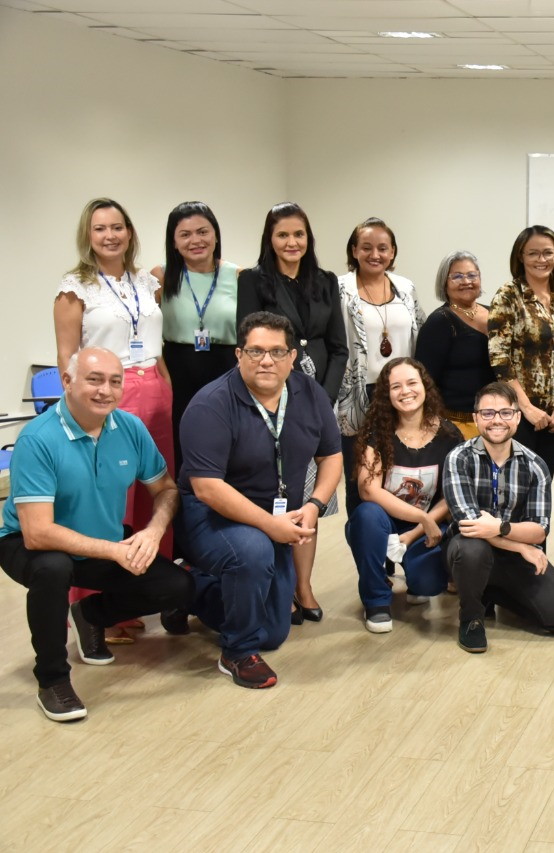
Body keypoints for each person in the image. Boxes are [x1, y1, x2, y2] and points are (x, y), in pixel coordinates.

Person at [0, 348, 193, 722]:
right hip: (26, 544)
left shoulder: (130, 428)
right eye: (94, 379)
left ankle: (91, 614)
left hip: (102, 541)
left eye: (114, 381)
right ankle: (53, 679)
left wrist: (152, 533)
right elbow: (38, 533)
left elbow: (167, 490)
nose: (106, 390)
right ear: (67, 382)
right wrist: (114, 550)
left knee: (178, 586)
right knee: (53, 569)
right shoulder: (38, 439)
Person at [176, 312, 342, 688]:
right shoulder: (211, 404)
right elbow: (207, 487)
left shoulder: (309, 392)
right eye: (255, 351)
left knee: (273, 633)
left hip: (276, 519)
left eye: (276, 351)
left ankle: (191, 590)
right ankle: (236, 652)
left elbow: (331, 455)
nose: (266, 360)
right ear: (238, 355)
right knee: (252, 552)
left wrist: (314, 505)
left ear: (292, 357)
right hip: (214, 518)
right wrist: (272, 527)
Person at [54, 198, 175, 586]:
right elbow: (66, 357)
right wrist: (80, 410)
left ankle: (149, 586)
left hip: (156, 390)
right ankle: (98, 604)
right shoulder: (74, 289)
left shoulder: (147, 282)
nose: (111, 235)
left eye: (117, 227)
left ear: (129, 232)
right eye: (100, 228)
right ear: (87, 236)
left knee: (155, 490)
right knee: (109, 498)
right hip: (107, 393)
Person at [237, 202, 348, 623]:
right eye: (283, 235)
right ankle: (275, 583)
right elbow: (250, 341)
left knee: (308, 497)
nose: (291, 243)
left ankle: (303, 585)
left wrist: (324, 398)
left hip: (317, 400)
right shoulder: (252, 280)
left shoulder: (325, 280)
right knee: (274, 493)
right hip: (270, 397)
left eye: (299, 234)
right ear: (270, 238)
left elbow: (339, 347)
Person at [443, 382, 554, 653]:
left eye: (505, 413)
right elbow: (470, 526)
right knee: (472, 549)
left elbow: (539, 530)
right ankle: (471, 618)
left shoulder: (536, 465)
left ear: (517, 417)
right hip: (469, 549)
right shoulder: (458, 458)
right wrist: (519, 544)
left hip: (512, 558)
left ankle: (491, 592)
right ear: (476, 417)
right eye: (488, 413)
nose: (497, 421)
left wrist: (500, 527)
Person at [346, 358, 462, 633]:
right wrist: (421, 516)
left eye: (412, 383)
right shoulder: (376, 432)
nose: (405, 391)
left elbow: (452, 494)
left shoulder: (449, 434)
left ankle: (414, 574)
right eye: (395, 386)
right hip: (380, 523)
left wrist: (422, 525)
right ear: (386, 394)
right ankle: (376, 600)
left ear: (425, 387)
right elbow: (368, 490)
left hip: (424, 527)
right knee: (367, 515)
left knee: (428, 587)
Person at [336, 217, 427, 515]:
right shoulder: (340, 288)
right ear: (353, 251)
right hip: (358, 395)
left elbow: (420, 332)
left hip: (402, 392)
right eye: (366, 248)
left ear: (393, 252)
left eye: (383, 248)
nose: (375, 255)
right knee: (360, 477)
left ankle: (400, 539)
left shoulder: (405, 287)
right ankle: (368, 546)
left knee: (397, 470)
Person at [487, 225, 554, 477]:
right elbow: (500, 359)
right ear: (520, 256)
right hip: (518, 413)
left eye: (548, 253)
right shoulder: (508, 296)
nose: (541, 260)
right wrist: (527, 408)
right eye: (533, 253)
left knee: (543, 487)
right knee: (516, 488)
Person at [154, 201, 239, 477]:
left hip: (227, 370)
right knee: (182, 449)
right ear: (174, 242)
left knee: (228, 447)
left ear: (215, 234)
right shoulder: (161, 277)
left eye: (203, 232)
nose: (196, 241)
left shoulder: (238, 275)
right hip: (177, 372)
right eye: (185, 234)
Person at [416, 250, 494, 440]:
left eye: (471, 275)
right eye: (457, 276)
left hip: (495, 419)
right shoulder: (439, 322)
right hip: (457, 425)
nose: (466, 281)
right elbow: (426, 380)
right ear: (445, 283)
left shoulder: (495, 314)